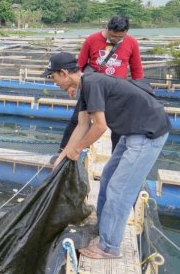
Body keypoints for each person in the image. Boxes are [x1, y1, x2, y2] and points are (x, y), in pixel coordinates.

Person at [46, 52, 170, 259]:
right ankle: (104, 227)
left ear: (64, 73)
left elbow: (100, 127)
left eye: (53, 76)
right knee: (107, 178)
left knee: (119, 190)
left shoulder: (92, 83)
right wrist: (63, 156)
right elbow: (82, 125)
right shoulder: (86, 86)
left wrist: (78, 150)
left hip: (147, 133)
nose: (54, 81)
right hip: (132, 131)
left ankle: (110, 246)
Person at [59, 15, 144, 153]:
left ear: (126, 32)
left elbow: (137, 70)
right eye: (113, 36)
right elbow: (79, 65)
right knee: (77, 120)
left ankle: (116, 158)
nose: (116, 39)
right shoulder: (92, 39)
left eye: (120, 37)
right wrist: (72, 85)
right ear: (106, 28)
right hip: (91, 88)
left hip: (116, 93)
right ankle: (62, 151)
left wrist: (141, 92)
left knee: (119, 128)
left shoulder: (132, 43)